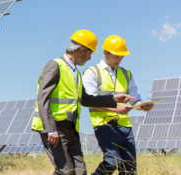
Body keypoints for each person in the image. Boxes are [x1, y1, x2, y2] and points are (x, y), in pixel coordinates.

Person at [31, 30, 134, 175]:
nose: (90, 57)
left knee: (80, 171)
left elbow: (86, 100)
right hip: (55, 127)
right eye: (89, 53)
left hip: (71, 128)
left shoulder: (76, 73)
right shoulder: (55, 66)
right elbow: (43, 98)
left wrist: (113, 99)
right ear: (80, 51)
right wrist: (51, 129)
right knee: (66, 171)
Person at [82, 35, 153, 175]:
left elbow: (134, 95)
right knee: (111, 162)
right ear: (105, 53)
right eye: (116, 56)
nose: (119, 60)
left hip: (125, 126)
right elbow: (89, 101)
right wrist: (115, 108)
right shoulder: (92, 72)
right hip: (105, 124)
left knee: (129, 168)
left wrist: (140, 104)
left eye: (121, 57)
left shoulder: (126, 73)